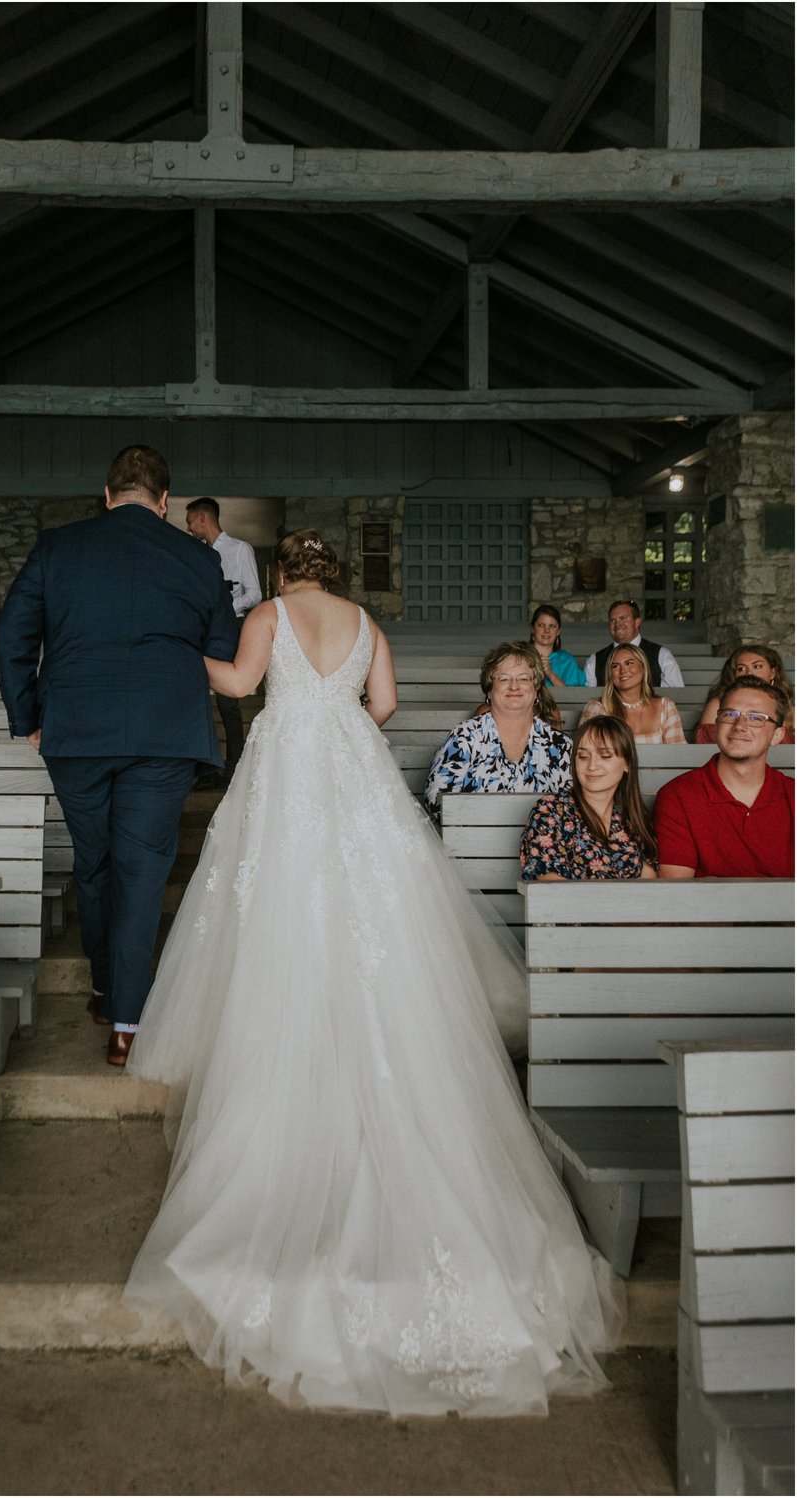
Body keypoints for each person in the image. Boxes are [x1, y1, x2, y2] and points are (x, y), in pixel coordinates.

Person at [122, 528, 622, 1419]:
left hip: (287, 780)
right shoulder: (365, 622)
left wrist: (188, 656)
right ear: (337, 576)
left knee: (278, 914)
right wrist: (331, 713)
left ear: (282, 573)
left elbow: (240, 683)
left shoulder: (270, 613)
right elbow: (382, 707)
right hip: (351, 775)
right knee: (374, 927)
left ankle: (288, 1069)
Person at [0, 445, 239, 1066]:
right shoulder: (199, 559)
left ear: (106, 496)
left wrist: (29, 720)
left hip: (74, 732)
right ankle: (127, 1021)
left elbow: (13, 636)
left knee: (93, 860)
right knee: (143, 868)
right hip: (163, 735)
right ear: (164, 504)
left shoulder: (57, 548)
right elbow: (219, 647)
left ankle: (103, 986)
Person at [654, 677, 794, 879]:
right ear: (717, 724)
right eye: (730, 714)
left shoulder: (792, 794)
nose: (739, 725)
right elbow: (677, 893)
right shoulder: (678, 795)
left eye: (756, 718)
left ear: (778, 735)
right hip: (707, 911)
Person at [423, 642, 571, 819]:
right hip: (472, 842)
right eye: (504, 679)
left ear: (536, 689)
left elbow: (573, 808)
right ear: (489, 691)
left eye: (523, 678)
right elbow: (436, 801)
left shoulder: (560, 745)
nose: (514, 686)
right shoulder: (465, 737)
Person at [521, 716, 658, 880]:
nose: (592, 766)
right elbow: (550, 886)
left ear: (627, 763)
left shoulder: (634, 816)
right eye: (583, 756)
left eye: (605, 756)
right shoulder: (550, 811)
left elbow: (649, 883)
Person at [185, 498, 262, 790]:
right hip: (201, 630)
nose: (188, 526)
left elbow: (254, 594)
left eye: (190, 519)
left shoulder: (240, 549)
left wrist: (224, 605)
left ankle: (233, 769)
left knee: (228, 702)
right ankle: (203, 767)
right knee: (195, 696)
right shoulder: (196, 554)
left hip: (230, 628)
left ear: (203, 517)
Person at [579, 645, 686, 744]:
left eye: (629, 663)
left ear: (643, 668)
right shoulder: (596, 708)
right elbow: (588, 755)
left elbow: (678, 756)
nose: (623, 670)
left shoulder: (665, 707)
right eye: (615, 666)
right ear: (610, 674)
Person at [695, 644, 795, 744]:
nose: (749, 673)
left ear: (773, 673)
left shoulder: (790, 710)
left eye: (757, 666)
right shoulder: (718, 704)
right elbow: (707, 748)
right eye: (741, 669)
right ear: (733, 675)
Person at [584, 599, 683, 689]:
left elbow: (674, 694)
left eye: (623, 618)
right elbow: (589, 698)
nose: (617, 624)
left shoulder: (661, 655)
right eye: (613, 620)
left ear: (637, 622)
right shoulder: (595, 660)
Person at [530, 603, 585, 688]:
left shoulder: (568, 661)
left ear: (558, 631)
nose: (547, 630)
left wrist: (550, 674)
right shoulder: (521, 657)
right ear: (532, 628)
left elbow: (573, 697)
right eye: (541, 625)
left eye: (552, 626)